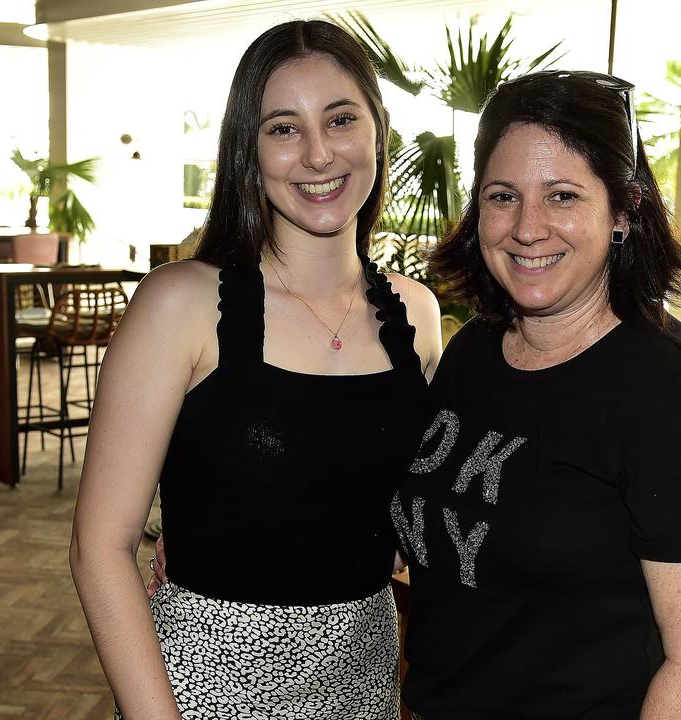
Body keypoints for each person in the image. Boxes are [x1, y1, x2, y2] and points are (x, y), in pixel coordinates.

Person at [70, 19, 441, 720]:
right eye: (282, 128)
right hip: (198, 690)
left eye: (340, 119)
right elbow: (99, 546)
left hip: (362, 684)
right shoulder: (181, 305)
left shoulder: (416, 317)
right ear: (249, 146)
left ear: (377, 130)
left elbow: (390, 516)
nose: (318, 153)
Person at [393, 70, 681, 719]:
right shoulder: (474, 352)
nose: (527, 227)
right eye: (503, 196)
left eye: (562, 196)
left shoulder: (680, 394)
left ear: (623, 211)